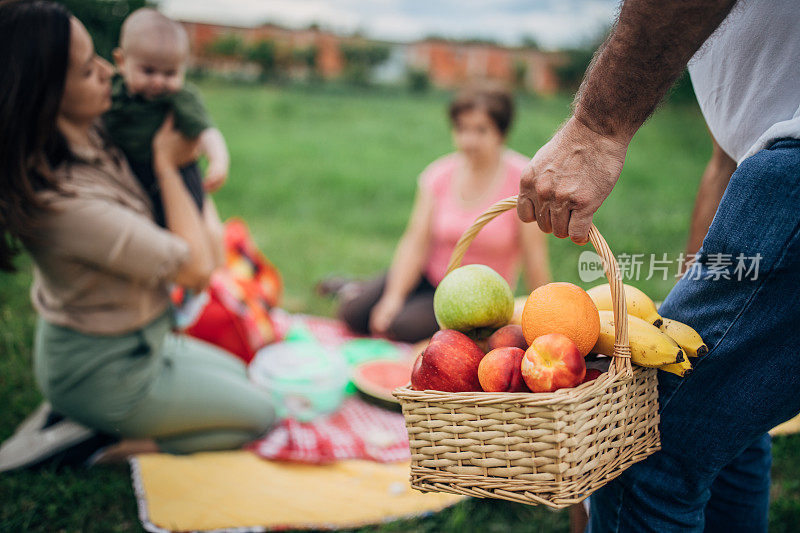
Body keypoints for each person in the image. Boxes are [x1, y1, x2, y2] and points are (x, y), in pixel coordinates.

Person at [514, 0, 799, 530]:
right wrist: (699, 304)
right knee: (723, 415)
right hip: (768, 164)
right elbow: (728, 157)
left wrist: (596, 126)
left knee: (641, 438)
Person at [0, 0, 274, 470]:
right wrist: (170, 165)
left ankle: (95, 418)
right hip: (105, 369)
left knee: (246, 373)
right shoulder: (64, 205)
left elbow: (203, 248)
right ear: (48, 96)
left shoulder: (99, 136)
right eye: (89, 70)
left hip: (147, 341)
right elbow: (197, 267)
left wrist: (184, 163)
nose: (110, 71)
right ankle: (99, 443)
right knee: (259, 416)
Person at [323, 85, 550, 343]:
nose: (468, 140)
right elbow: (415, 241)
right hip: (428, 276)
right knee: (354, 314)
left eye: (480, 130)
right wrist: (393, 297)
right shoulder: (438, 174)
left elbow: (535, 257)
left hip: (478, 299)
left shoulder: (523, 180)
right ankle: (354, 289)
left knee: (400, 327)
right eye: (461, 128)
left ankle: (368, 292)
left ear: (501, 132)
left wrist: (546, 315)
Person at [104, 7, 229, 237]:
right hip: (131, 172)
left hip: (179, 174)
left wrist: (218, 160)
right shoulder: (113, 90)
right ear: (121, 62)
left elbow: (206, 132)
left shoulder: (180, 98)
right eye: (148, 71)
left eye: (170, 73)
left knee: (178, 232)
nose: (159, 82)